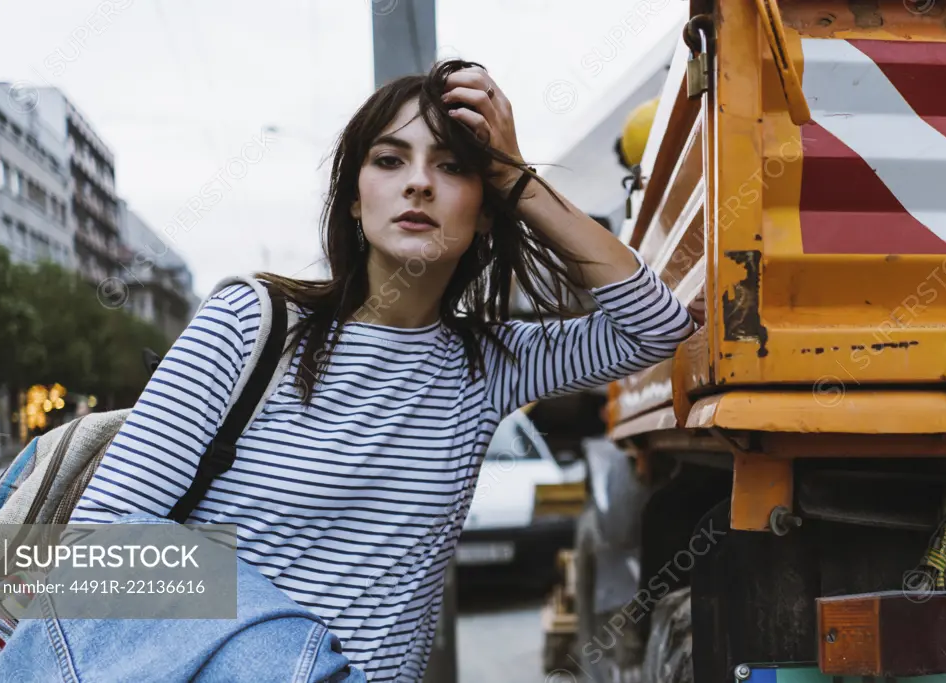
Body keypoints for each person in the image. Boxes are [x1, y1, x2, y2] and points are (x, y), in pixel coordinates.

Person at [67, 59, 695, 681]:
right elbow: (98, 548)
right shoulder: (250, 324)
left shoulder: (488, 366)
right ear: (352, 202)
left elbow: (658, 327)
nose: (419, 183)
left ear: (483, 210)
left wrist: (516, 177)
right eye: (390, 160)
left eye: (452, 166)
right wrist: (288, 663)